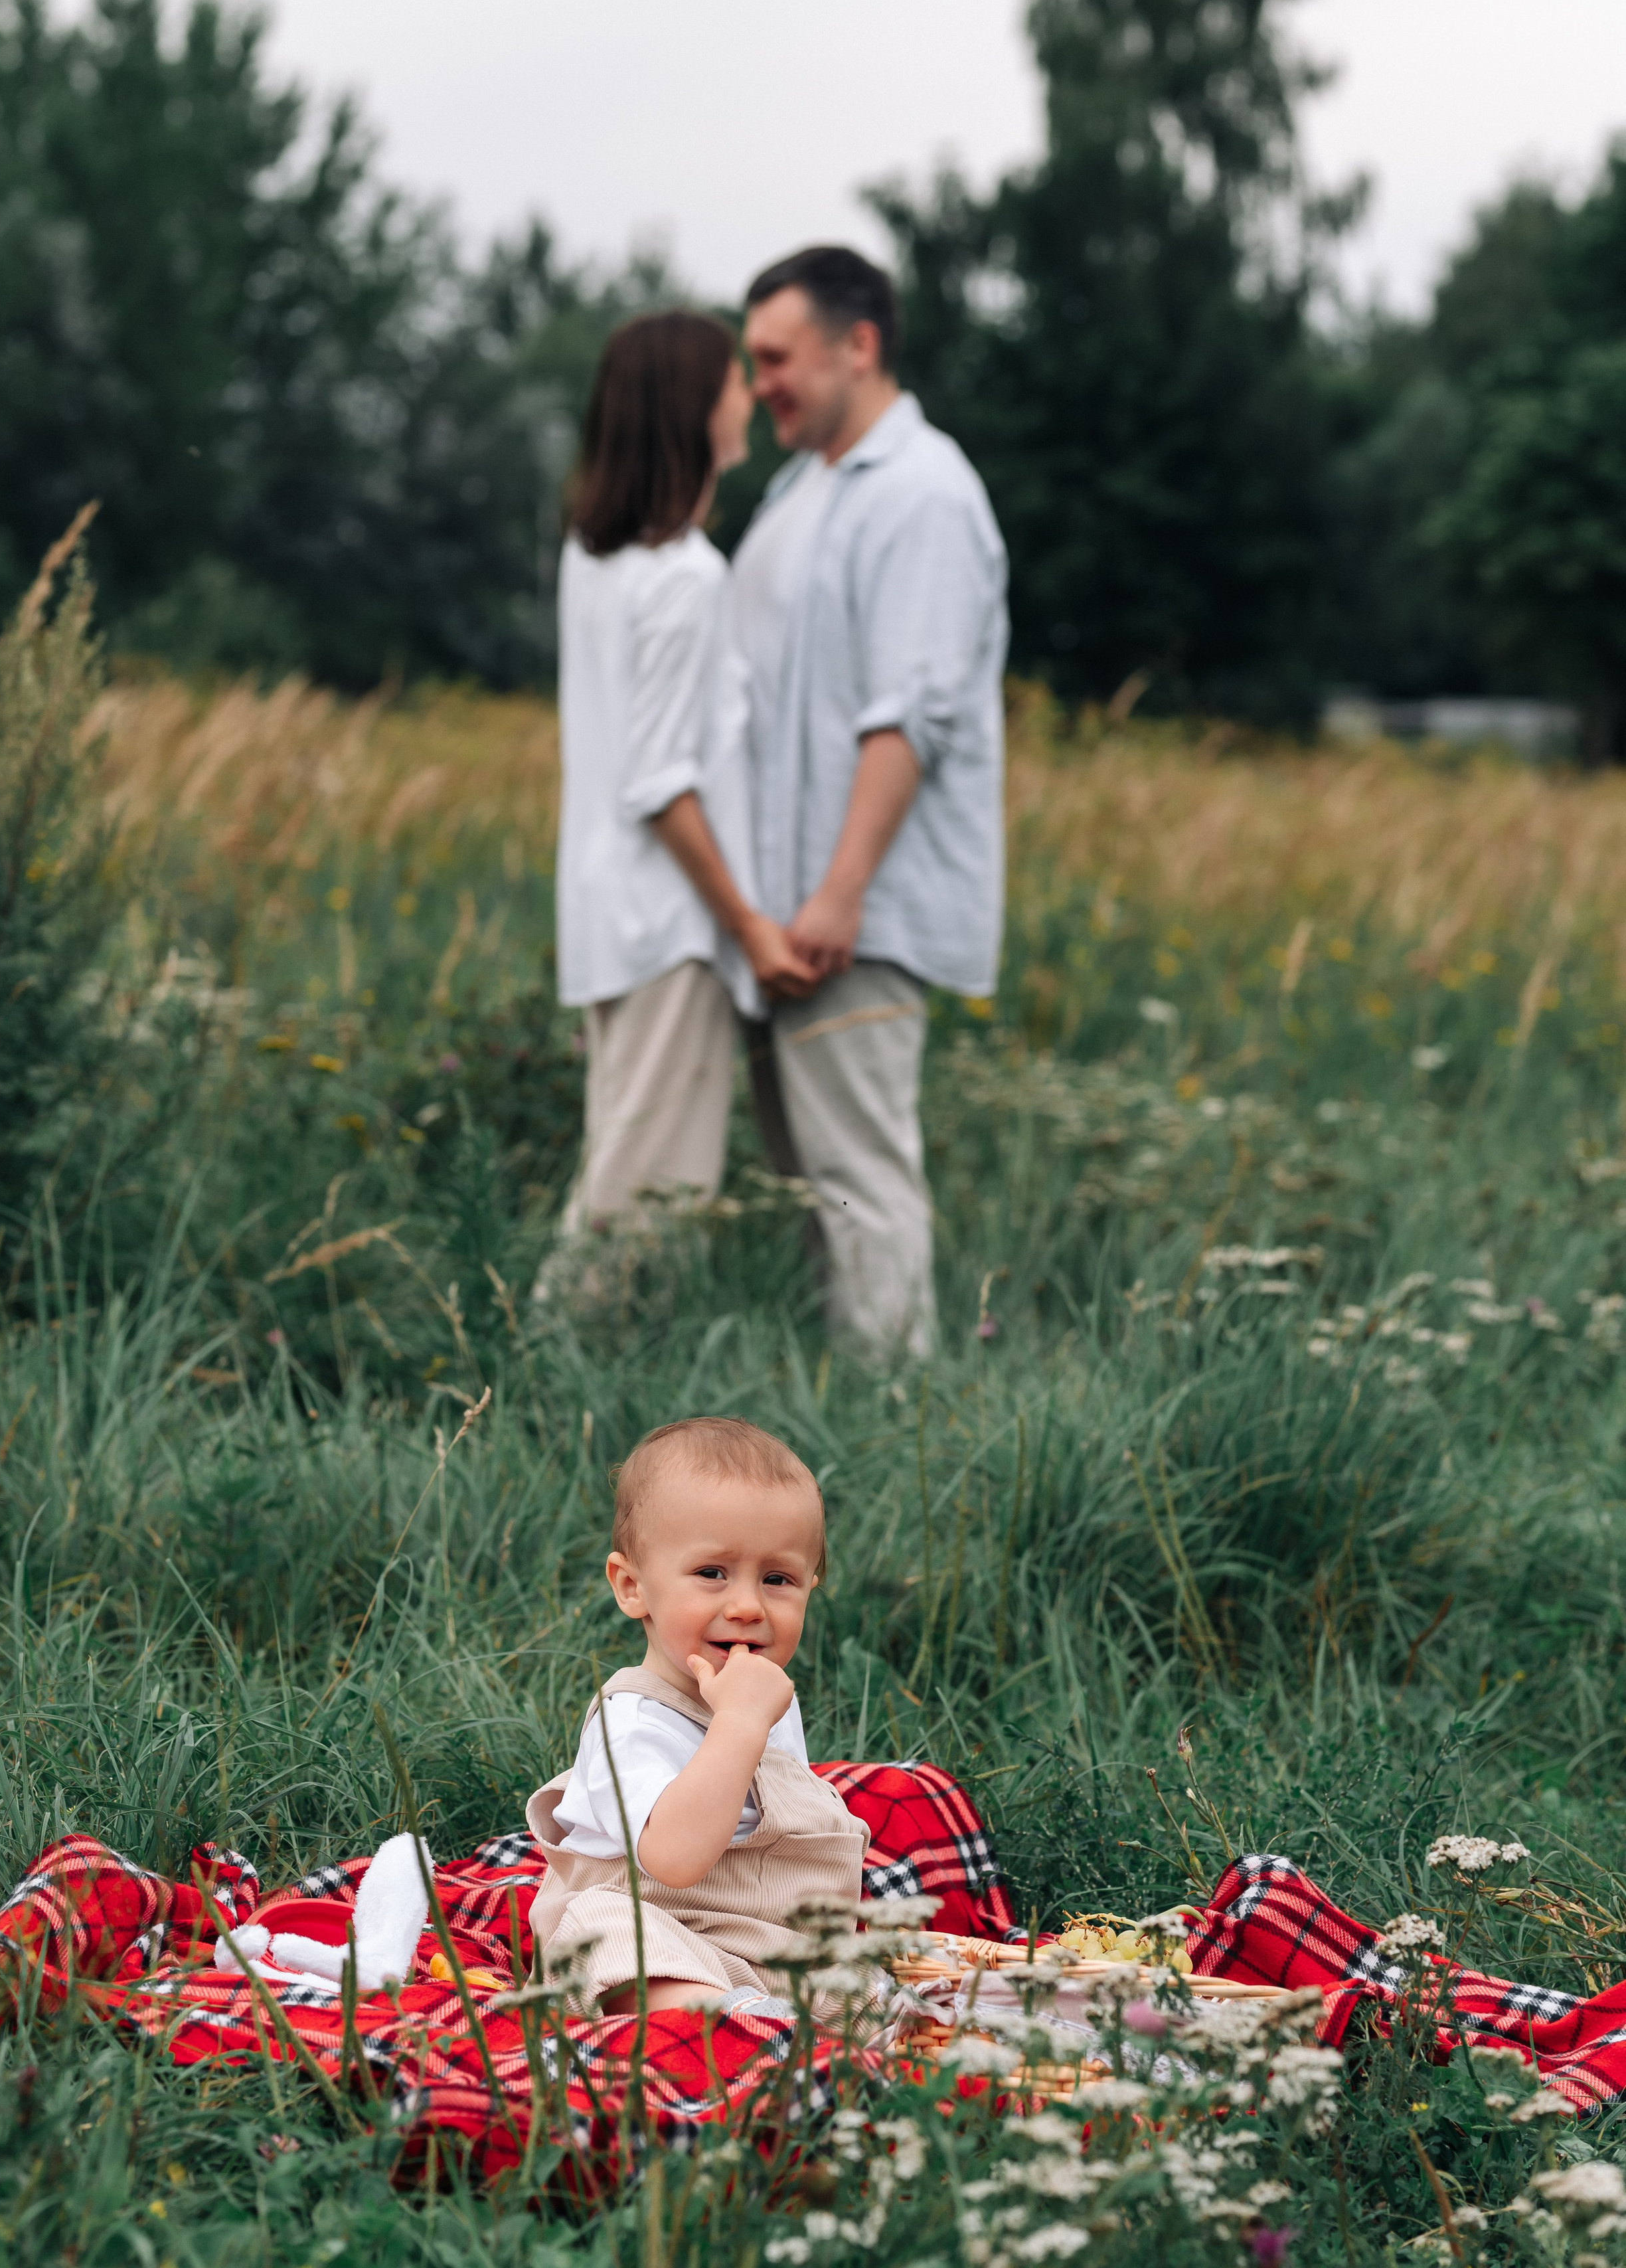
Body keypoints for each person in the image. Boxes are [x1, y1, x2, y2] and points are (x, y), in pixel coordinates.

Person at [733, 246, 1009, 1359]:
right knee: (807, 1186)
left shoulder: (925, 495)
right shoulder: (803, 489)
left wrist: (839, 892)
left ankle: (899, 1419)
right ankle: (819, 1428)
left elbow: (913, 712)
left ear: (859, 344)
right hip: (778, 910)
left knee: (859, 1177)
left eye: (777, 358)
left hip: (853, 911)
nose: (762, 386)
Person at [552, 312, 814, 1251]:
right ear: (694, 409)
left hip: (605, 914)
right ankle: (551, 1379)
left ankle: (558, 1370)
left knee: (622, 1170)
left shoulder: (594, 557)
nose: (749, 395)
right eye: (735, 380)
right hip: (668, 926)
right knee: (643, 1209)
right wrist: (750, 929)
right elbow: (658, 782)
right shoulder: (687, 578)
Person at [526, 1415, 866, 2012]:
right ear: (632, 1586)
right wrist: (738, 1724)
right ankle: (721, 2026)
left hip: (768, 1949)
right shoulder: (630, 1720)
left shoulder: (763, 1699)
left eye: (778, 1579)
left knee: (869, 1997)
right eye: (712, 1573)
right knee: (606, 1931)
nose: (745, 1606)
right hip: (662, 1933)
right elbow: (674, 1859)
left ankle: (787, 2024)